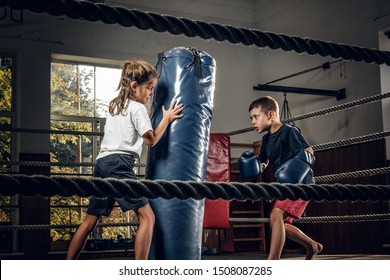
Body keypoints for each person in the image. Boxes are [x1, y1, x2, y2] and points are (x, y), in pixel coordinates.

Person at [66, 60, 184, 260]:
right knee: (148, 217)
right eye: (149, 88)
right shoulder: (137, 108)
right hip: (119, 164)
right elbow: (151, 140)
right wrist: (167, 118)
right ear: (134, 86)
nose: (151, 94)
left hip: (102, 163)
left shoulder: (115, 105)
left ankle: (66, 267)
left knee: (89, 222)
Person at [240, 96, 323, 260]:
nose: (253, 122)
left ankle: (272, 262)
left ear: (271, 115)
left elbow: (309, 151)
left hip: (301, 183)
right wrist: (255, 165)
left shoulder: (288, 131)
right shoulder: (266, 139)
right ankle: (312, 245)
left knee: (276, 216)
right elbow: (263, 162)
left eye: (256, 117)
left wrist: (294, 170)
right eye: (251, 118)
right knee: (279, 224)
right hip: (285, 184)